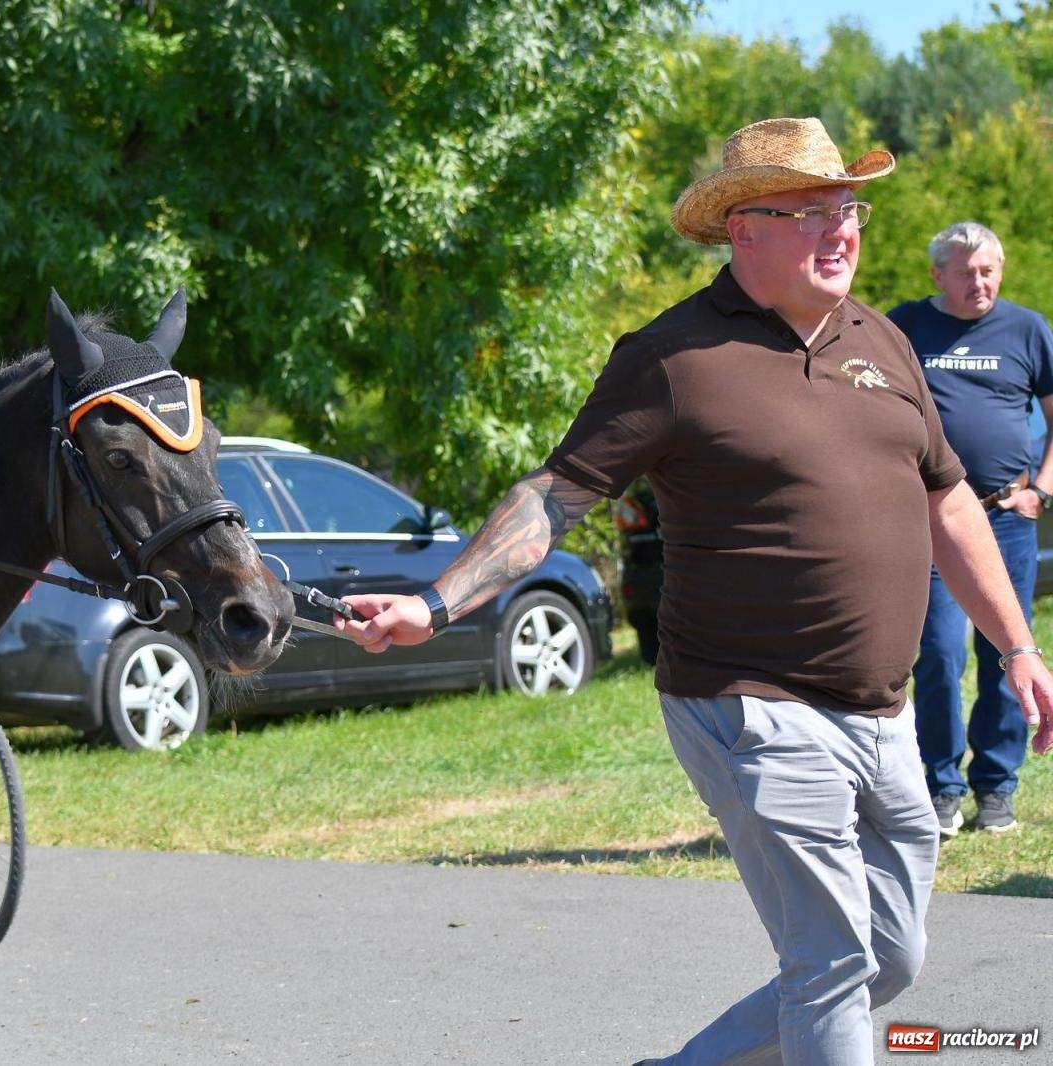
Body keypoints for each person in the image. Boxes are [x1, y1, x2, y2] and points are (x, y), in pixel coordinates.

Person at [336, 118, 1053, 1066]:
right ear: (743, 228)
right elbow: (557, 494)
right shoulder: (673, 356)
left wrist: (1018, 647)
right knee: (834, 961)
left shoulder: (881, 339)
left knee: (890, 955)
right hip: (753, 701)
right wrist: (438, 602)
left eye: (849, 209)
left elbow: (949, 501)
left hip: (881, 716)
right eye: (811, 212)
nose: (841, 229)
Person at [887, 222, 1053, 836]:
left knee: (1008, 652)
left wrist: (1040, 490)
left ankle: (997, 786)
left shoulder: (1027, 329)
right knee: (936, 651)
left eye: (988, 271)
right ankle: (941, 786)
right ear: (938, 275)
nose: (978, 282)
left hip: (1006, 519)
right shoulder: (903, 326)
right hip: (930, 521)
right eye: (965, 273)